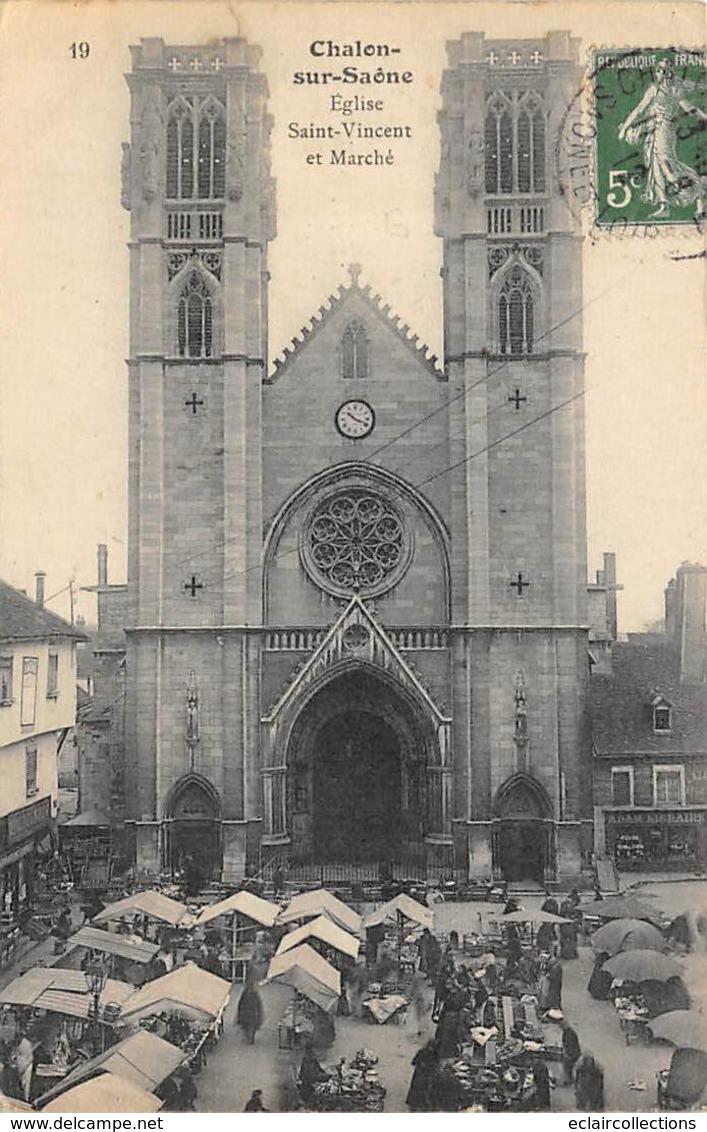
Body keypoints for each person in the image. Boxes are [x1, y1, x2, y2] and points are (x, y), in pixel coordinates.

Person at [618, 56, 707, 219]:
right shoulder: (655, 89)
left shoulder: (672, 90)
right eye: (657, 70)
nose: (657, 74)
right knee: (655, 166)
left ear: (667, 74)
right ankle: (664, 205)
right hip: (654, 130)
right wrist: (625, 127)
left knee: (668, 164)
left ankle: (700, 187)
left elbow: (690, 109)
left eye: (660, 71)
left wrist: (705, 118)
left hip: (665, 130)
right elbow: (639, 110)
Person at [406, 1040, 439, 1112]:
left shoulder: (426, 1052)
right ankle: (417, 1105)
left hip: (423, 1075)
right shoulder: (430, 1053)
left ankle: (417, 1105)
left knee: (421, 1089)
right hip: (422, 1074)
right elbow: (414, 1062)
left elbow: (414, 1062)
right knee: (420, 1090)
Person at [236, 979, 264, 1045]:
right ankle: (250, 1039)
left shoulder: (247, 994)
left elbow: (240, 1004)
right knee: (249, 1027)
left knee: (249, 1027)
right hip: (249, 1013)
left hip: (250, 1013)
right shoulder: (253, 994)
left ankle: (250, 1039)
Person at [14, 1033, 33, 1103]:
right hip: (21, 1067)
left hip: (26, 1067)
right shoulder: (19, 1044)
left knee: (26, 1085)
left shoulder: (26, 1044)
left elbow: (30, 1058)